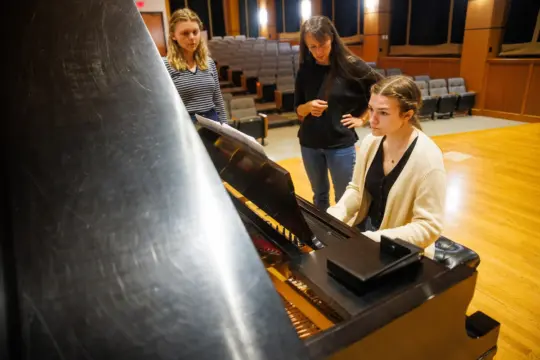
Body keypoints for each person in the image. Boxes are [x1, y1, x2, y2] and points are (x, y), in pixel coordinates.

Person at [326, 75, 446, 257]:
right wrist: (337, 213)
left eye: (383, 113)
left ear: (407, 115)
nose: (372, 120)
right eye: (371, 109)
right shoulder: (371, 142)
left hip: (400, 249)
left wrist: (375, 239)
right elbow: (357, 189)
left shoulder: (428, 159)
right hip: (366, 234)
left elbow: (428, 227)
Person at [294, 16, 381, 212]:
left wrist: (363, 118)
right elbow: (297, 109)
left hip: (340, 144)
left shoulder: (351, 65)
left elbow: (380, 87)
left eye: (322, 45)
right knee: (320, 195)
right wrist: (308, 107)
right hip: (309, 144)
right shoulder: (305, 69)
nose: (318, 52)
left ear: (332, 38)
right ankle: (324, 238)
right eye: (312, 47)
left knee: (344, 198)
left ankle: (346, 240)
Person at [163, 8, 228, 124]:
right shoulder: (165, 65)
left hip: (213, 123)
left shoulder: (209, 62)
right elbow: (164, 106)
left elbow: (217, 101)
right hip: (185, 126)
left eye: (195, 32)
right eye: (185, 33)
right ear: (173, 36)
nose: (192, 37)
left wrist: (226, 128)